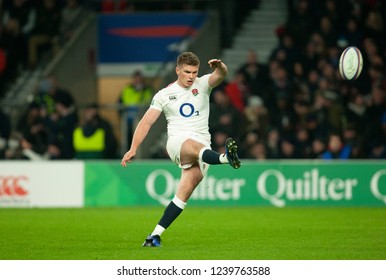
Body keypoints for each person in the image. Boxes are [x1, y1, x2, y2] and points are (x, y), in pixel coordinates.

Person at [121, 51, 241, 247]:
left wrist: (220, 66)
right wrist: (133, 148)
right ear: (177, 70)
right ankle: (225, 159)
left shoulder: (202, 85)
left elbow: (221, 75)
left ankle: (154, 236)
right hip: (178, 143)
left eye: (194, 72)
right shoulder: (164, 95)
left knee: (183, 194)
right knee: (194, 146)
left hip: (204, 146)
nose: (191, 76)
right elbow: (146, 122)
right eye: (187, 72)